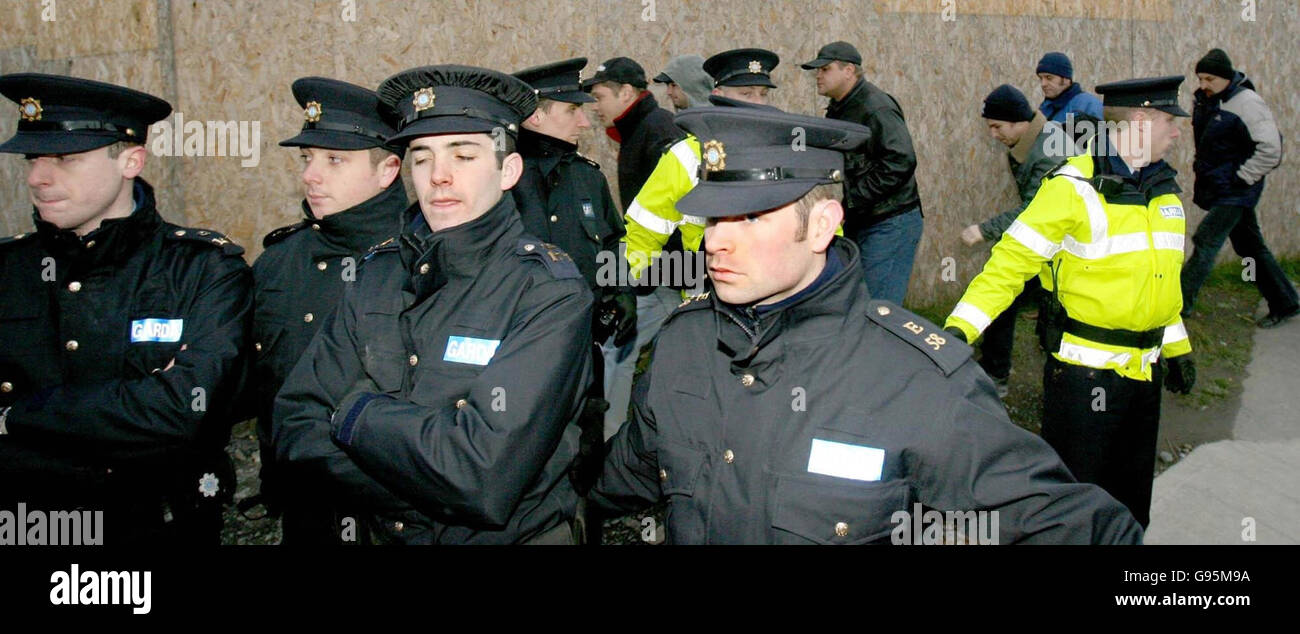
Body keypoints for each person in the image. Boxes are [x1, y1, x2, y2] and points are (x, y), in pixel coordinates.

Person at [590, 106, 1143, 544]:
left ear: (822, 225)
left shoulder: (914, 381)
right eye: (713, 217)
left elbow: (1075, 527)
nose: (715, 241)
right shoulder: (684, 342)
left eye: (753, 216)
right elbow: (624, 475)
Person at [274, 65, 593, 545]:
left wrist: (353, 413)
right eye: (421, 158)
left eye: (463, 156)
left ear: (508, 170)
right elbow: (296, 427)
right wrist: (425, 466)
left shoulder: (548, 292)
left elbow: (481, 476)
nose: (439, 177)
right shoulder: (376, 273)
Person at [0, 73, 252, 544]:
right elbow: (152, 414)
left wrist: (15, 417)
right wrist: (130, 410)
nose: (37, 177)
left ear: (130, 160)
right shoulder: (9, 270)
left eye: (65, 159)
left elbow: (183, 411)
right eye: (33, 158)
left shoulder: (202, 270)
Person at [944, 76, 1197, 527]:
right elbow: (1008, 267)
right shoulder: (1071, 186)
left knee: (1132, 505)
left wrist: (1176, 347)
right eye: (1168, 121)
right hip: (1085, 378)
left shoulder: (1163, 191)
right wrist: (958, 332)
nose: (1178, 131)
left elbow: (1161, 282)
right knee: (1076, 505)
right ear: (1139, 121)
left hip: (1145, 372)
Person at [245, 76, 408, 543]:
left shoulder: (421, 263)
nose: (310, 175)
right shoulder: (278, 263)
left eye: (334, 159)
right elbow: (257, 381)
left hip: (392, 512)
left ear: (387, 169)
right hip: (305, 505)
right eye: (307, 158)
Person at [609, 48, 780, 441]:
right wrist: (623, 286)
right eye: (745, 94)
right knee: (708, 412)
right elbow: (643, 233)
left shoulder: (786, 153)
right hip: (709, 309)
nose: (756, 104)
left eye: (762, 94)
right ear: (718, 93)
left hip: (775, 306)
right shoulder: (686, 157)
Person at [511, 58, 633, 523]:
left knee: (585, 449)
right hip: (521, 353)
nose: (585, 120)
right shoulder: (501, 180)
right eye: (572, 111)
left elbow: (611, 241)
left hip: (584, 349)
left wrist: (620, 291)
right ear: (537, 116)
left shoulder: (587, 175)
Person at [959, 84, 1080, 397]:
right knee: (1021, 303)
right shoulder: (1032, 142)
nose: (994, 134)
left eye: (997, 127)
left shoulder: (1048, 152)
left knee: (1008, 298)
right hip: (1055, 237)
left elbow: (1036, 209)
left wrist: (985, 230)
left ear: (1017, 121)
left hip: (1067, 242)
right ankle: (1006, 373)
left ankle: (999, 378)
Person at [1180, 48, 1296, 328]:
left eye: (1210, 79)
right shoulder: (1210, 101)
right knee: (1250, 245)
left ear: (1227, 77)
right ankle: (1285, 301)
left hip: (1236, 190)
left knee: (1206, 240)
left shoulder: (1247, 103)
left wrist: (1242, 178)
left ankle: (1178, 307)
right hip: (1223, 187)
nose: (1203, 84)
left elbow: (1271, 149)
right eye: (1200, 78)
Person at [802, 41, 922, 304]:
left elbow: (901, 160)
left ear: (849, 71)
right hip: (866, 219)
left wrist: (853, 199)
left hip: (890, 221)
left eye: (825, 69)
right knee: (859, 301)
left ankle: (888, 345)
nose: (818, 75)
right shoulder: (840, 107)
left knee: (878, 308)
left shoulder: (875, 107)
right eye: (817, 70)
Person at [582, 56, 683, 211]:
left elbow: (673, 207)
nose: (594, 107)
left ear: (626, 93)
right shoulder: (635, 131)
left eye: (599, 97)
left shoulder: (660, 131)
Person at [1035, 52, 1103, 125]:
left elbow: (1101, 135)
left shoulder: (1089, 105)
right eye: (1041, 78)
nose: (1043, 84)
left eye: (1049, 78)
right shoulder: (1045, 107)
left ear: (1065, 79)